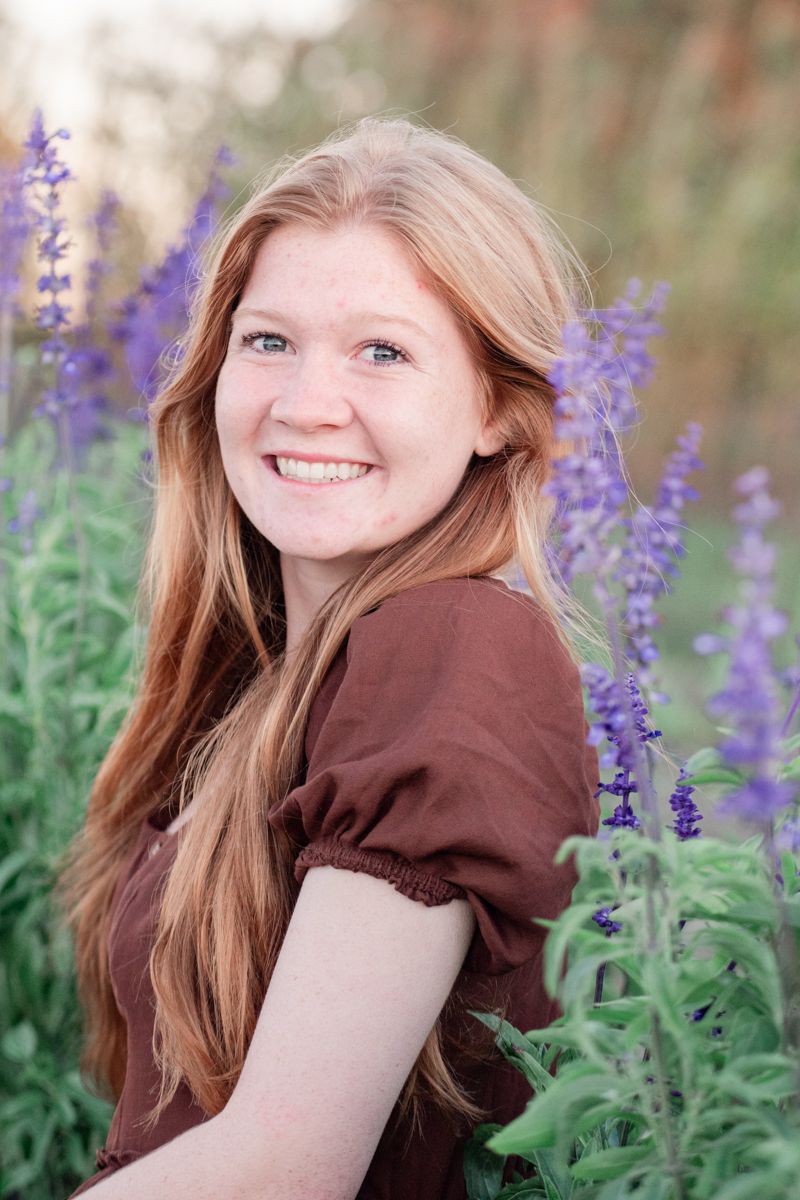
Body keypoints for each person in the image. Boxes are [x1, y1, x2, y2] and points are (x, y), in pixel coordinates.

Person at [64, 118, 599, 1200]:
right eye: (268, 342)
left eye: (383, 352)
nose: (308, 403)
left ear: (498, 410)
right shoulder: (262, 690)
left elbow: (282, 1169)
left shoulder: (451, 646)